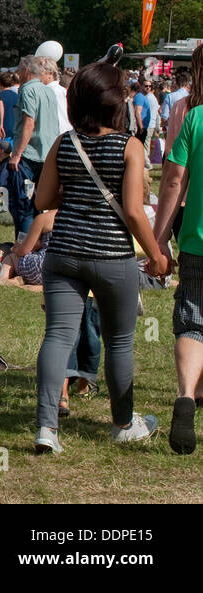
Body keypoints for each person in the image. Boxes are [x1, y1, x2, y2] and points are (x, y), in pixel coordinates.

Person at [32, 61, 167, 455]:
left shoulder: (65, 142)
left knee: (57, 336)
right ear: (116, 103)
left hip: (64, 253)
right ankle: (123, 423)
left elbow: (42, 201)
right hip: (112, 256)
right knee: (120, 340)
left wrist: (73, 195)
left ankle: (46, 427)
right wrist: (157, 256)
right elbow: (135, 211)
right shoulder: (130, 146)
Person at [154, 43, 203, 453]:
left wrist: (157, 240)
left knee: (193, 320)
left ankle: (187, 396)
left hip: (197, 240)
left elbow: (173, 182)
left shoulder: (195, 118)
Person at [9, 55, 59, 238]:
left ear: (26, 71)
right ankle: (38, 242)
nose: (17, 73)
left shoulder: (27, 90)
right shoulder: (49, 91)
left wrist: (17, 154)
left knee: (24, 205)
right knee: (40, 202)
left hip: (29, 155)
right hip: (47, 153)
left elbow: (29, 123)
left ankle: (23, 244)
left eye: (19, 70)